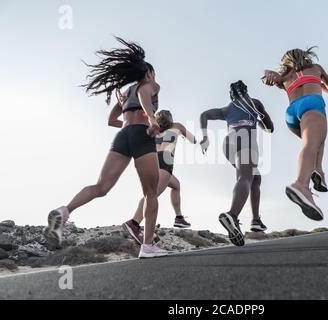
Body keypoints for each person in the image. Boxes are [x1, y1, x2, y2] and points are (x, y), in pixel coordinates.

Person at [43, 37, 168, 258]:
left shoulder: (126, 93)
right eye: (153, 75)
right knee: (151, 192)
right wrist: (150, 119)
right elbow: (145, 94)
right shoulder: (149, 85)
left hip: (123, 136)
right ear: (148, 73)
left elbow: (111, 120)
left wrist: (132, 125)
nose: (154, 78)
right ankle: (148, 246)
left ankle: (64, 212)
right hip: (141, 136)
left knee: (101, 187)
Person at [263, 47, 328, 221]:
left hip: (292, 113)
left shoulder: (285, 76)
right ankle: (301, 185)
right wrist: (317, 81)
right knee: (312, 144)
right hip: (312, 105)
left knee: (316, 141)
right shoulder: (316, 69)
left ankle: (318, 171)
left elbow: (271, 76)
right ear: (306, 56)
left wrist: (269, 75)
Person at [200, 81, 274, 246]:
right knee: (245, 177)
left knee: (255, 178)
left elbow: (204, 114)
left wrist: (205, 136)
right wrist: (259, 118)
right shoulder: (254, 103)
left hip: (228, 143)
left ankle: (255, 220)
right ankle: (232, 215)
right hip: (245, 139)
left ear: (231, 95)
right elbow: (270, 128)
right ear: (246, 91)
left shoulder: (227, 109)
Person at [123, 110, 197, 244]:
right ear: (170, 119)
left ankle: (179, 217)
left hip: (151, 160)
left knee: (176, 185)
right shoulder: (177, 126)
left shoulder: (152, 129)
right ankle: (134, 222)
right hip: (164, 163)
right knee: (152, 195)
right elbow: (193, 140)